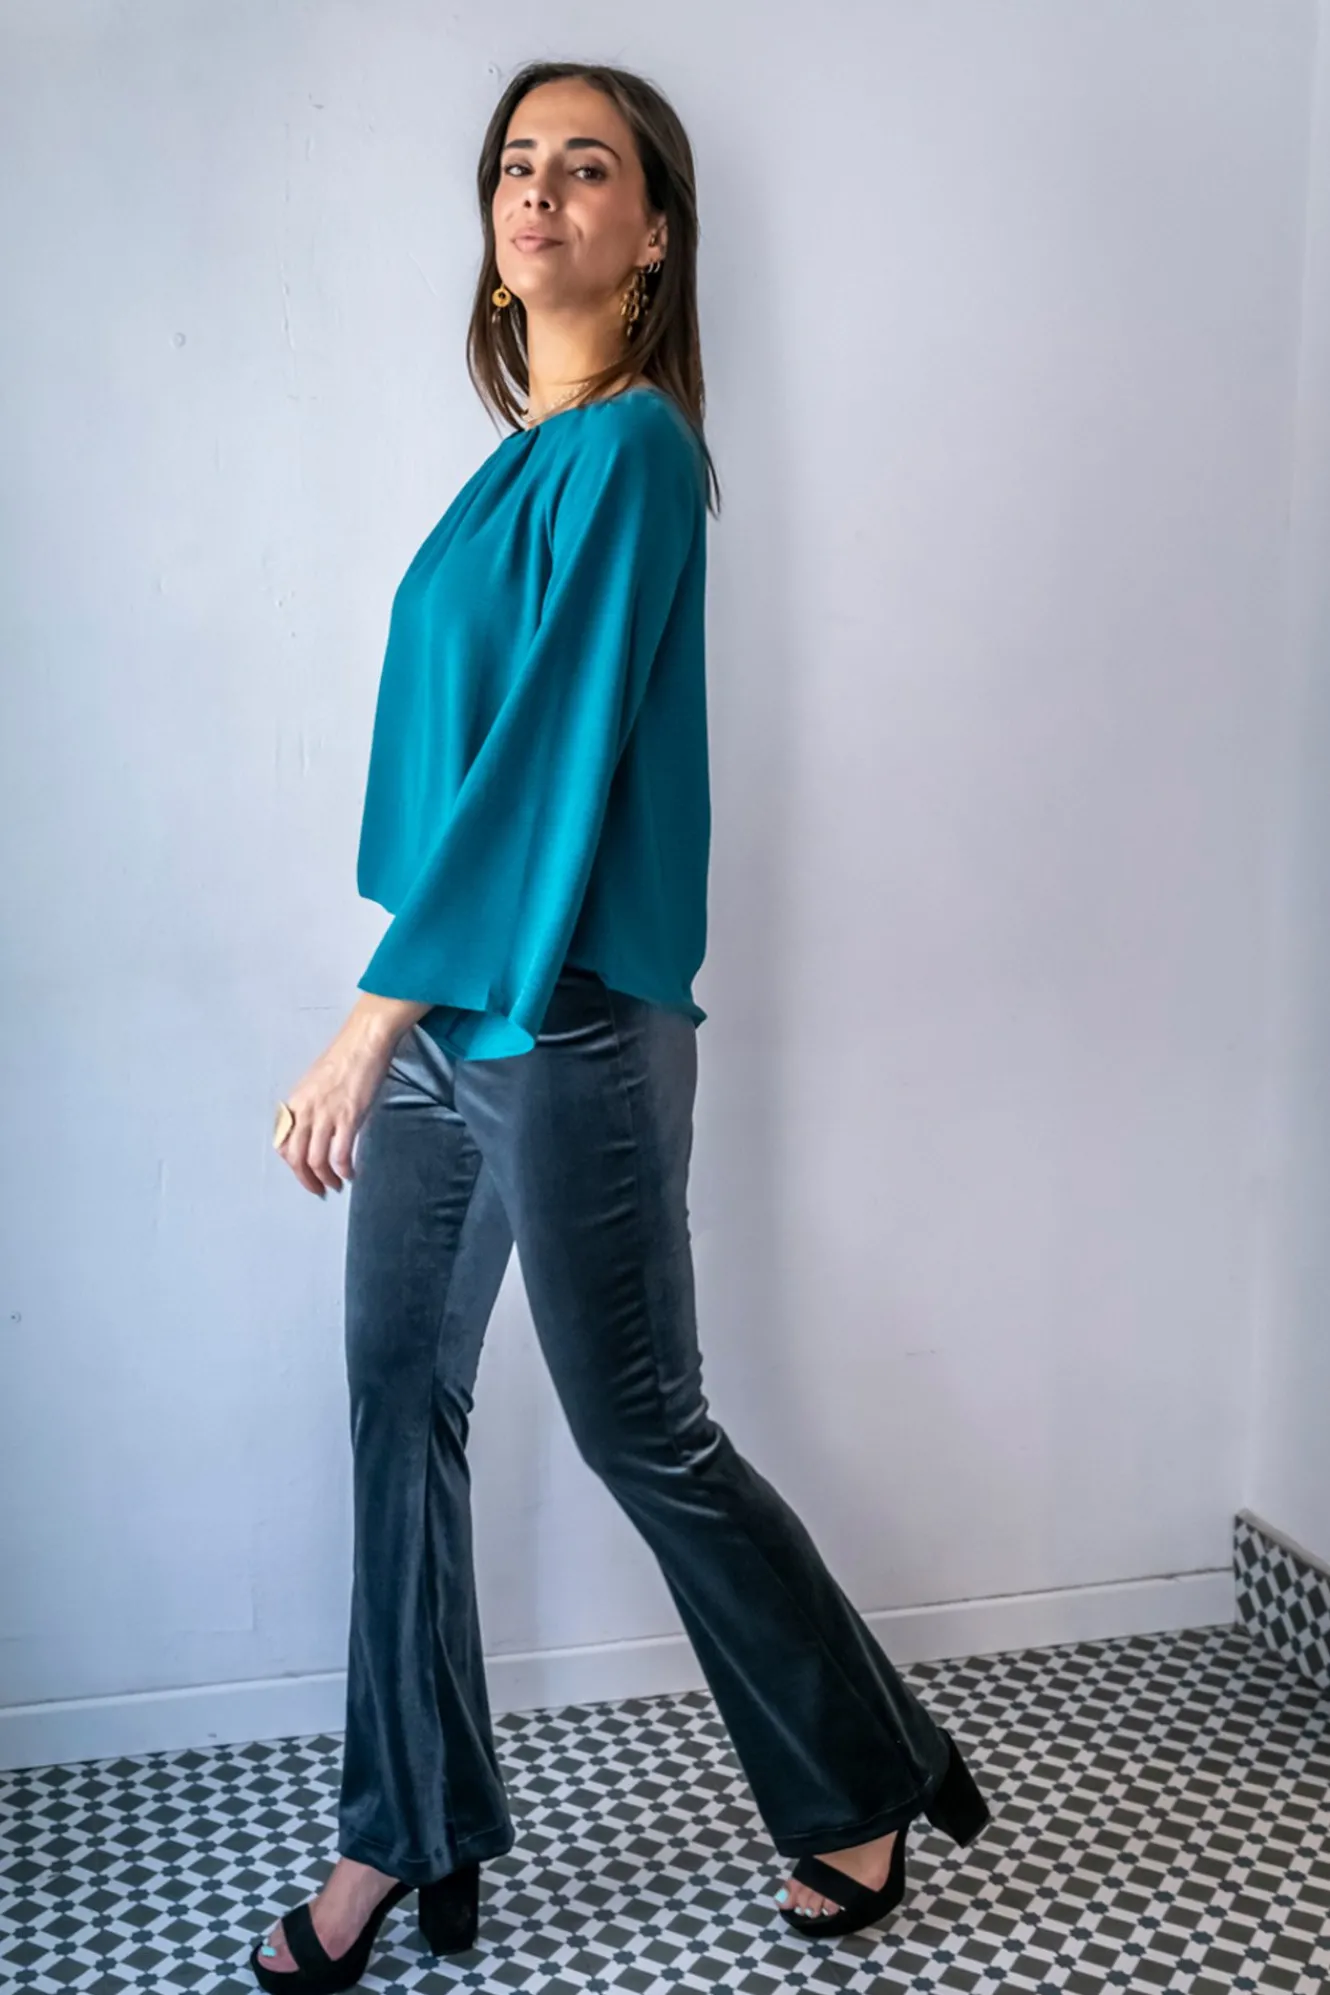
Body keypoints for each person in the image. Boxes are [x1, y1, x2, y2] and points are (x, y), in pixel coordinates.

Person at [252, 58, 989, 1994]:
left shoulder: (640, 453)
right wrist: (399, 1010)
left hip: (565, 1021)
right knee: (394, 1399)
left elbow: (546, 766)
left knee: (639, 1427)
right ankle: (401, 1824)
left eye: (588, 169)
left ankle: (864, 1772)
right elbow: (457, 765)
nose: (541, 191)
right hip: (448, 1004)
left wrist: (360, 1023)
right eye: (517, 164)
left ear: (651, 237)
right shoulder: (510, 462)